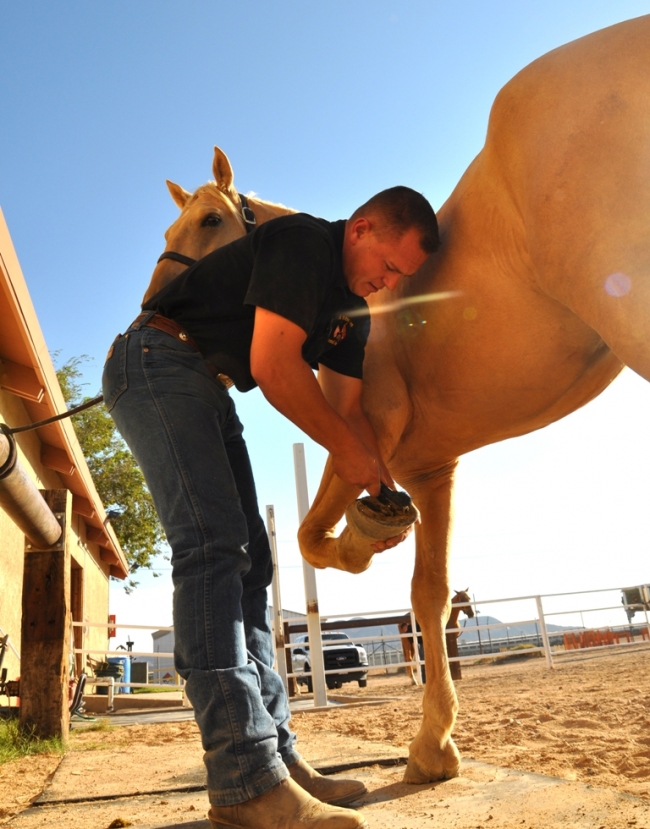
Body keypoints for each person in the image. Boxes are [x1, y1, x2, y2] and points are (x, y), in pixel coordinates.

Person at [102, 186, 438, 829]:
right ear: (362, 229)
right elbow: (276, 367)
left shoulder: (353, 313)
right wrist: (355, 457)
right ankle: (243, 780)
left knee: (251, 562)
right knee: (211, 549)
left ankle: (275, 763)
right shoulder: (304, 242)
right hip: (155, 358)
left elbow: (345, 414)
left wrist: (379, 489)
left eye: (403, 278)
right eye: (388, 267)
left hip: (200, 380)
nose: (387, 282)